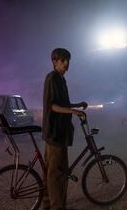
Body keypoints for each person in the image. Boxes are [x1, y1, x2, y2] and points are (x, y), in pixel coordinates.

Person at [42, 48, 87, 210]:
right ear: (55, 62)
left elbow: (62, 104)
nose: (67, 64)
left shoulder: (60, 79)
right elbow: (53, 106)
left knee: (52, 171)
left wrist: (76, 105)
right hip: (55, 132)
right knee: (57, 173)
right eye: (63, 61)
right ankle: (57, 207)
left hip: (59, 132)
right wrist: (73, 111)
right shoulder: (53, 77)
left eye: (68, 60)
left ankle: (47, 204)